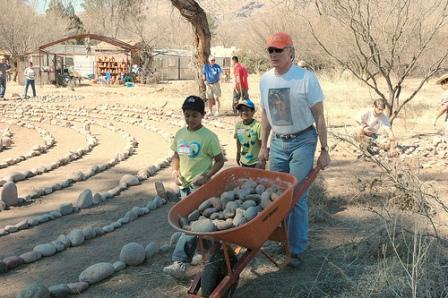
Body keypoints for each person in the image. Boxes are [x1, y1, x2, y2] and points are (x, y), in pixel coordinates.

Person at [258, 32, 331, 268]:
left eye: (278, 50)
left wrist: (325, 149)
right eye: (270, 50)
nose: (274, 54)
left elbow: (319, 115)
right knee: (278, 195)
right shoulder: (265, 80)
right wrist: (263, 146)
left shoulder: (306, 78)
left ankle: (296, 249)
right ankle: (283, 240)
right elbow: (266, 115)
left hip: (303, 140)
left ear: (291, 51)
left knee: (296, 194)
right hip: (278, 142)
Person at [163, 95, 224, 279]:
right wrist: (175, 172)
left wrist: (207, 175)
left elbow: (219, 161)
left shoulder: (209, 137)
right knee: (194, 223)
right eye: (187, 115)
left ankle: (180, 262)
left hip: (200, 188)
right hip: (184, 187)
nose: (190, 119)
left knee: (191, 225)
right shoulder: (181, 134)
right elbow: (176, 156)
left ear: (203, 115)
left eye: (194, 115)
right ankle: (207, 254)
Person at [234, 99, 262, 168]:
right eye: (241, 110)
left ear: (253, 112)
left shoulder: (258, 126)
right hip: (244, 161)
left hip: (256, 162)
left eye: (246, 110)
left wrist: (261, 161)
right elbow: (238, 140)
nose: (244, 112)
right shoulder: (238, 125)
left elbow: (262, 144)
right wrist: (238, 154)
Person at [433, 73, 448, 139]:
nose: (441, 86)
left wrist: (435, 117)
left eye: (442, 83)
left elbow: (445, 107)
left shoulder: (446, 93)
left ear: (446, 83)